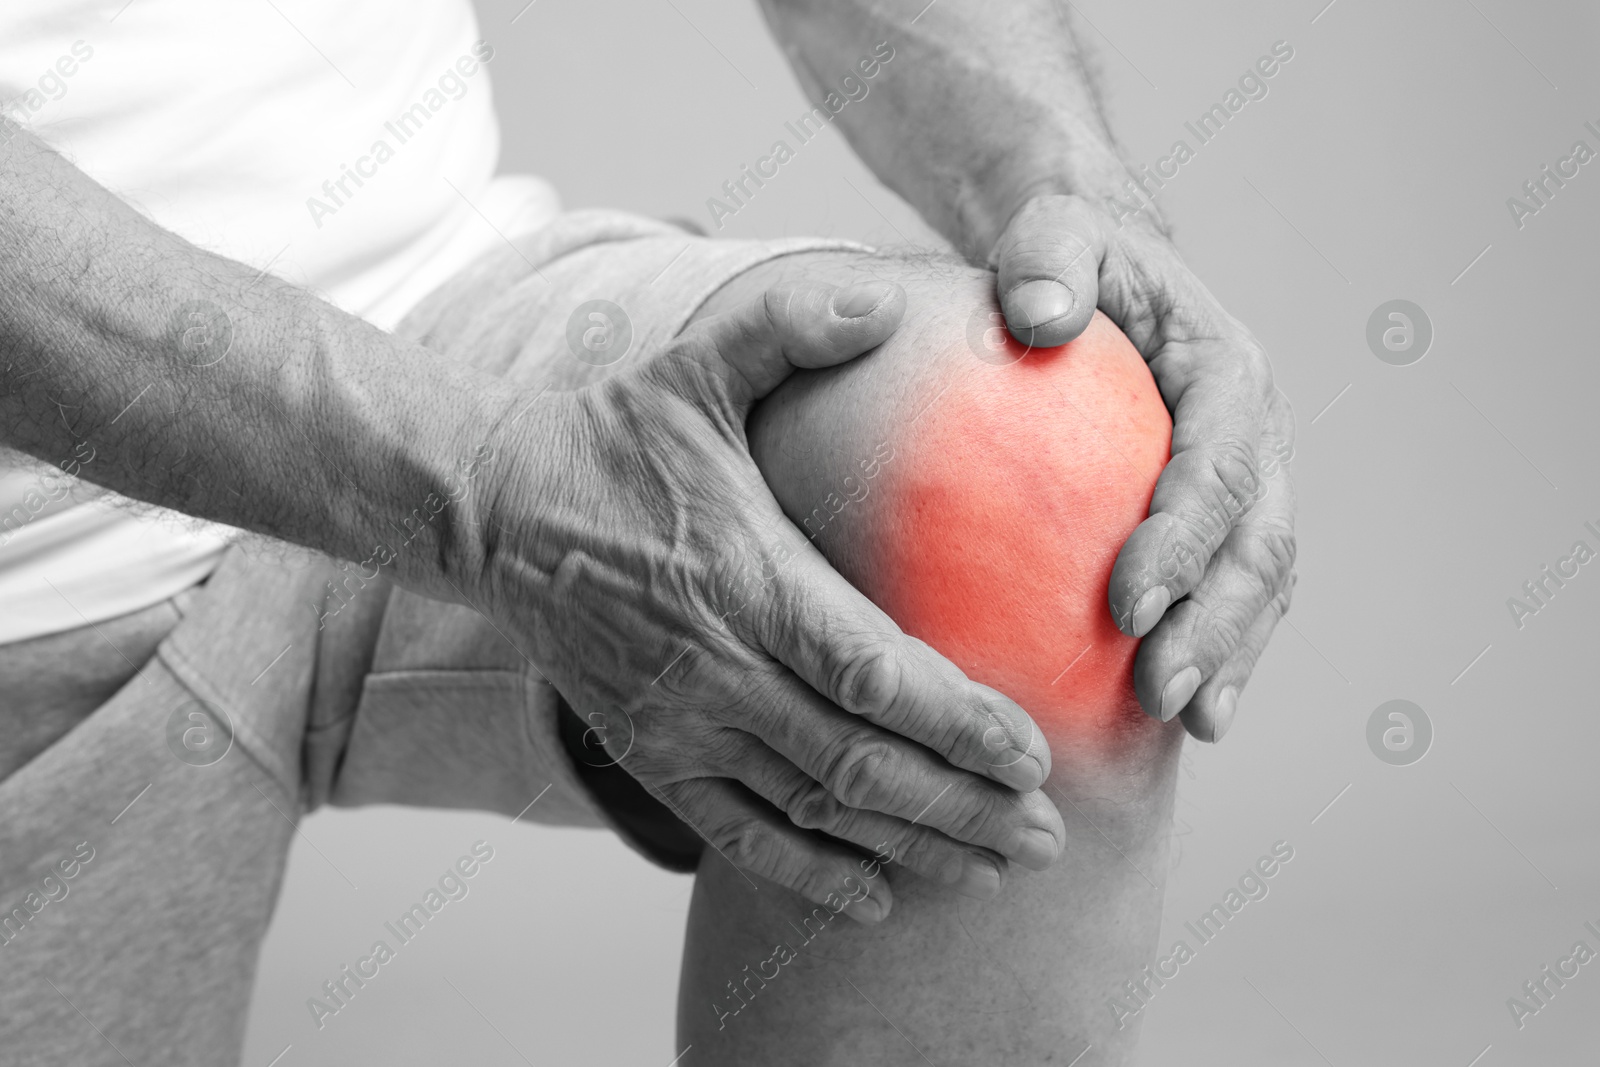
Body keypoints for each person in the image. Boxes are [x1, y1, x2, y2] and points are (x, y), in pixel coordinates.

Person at [0, 1, 1295, 1061]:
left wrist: (1075, 207)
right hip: (33, 563)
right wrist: (490, 496)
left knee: (1034, 453)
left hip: (437, 313)